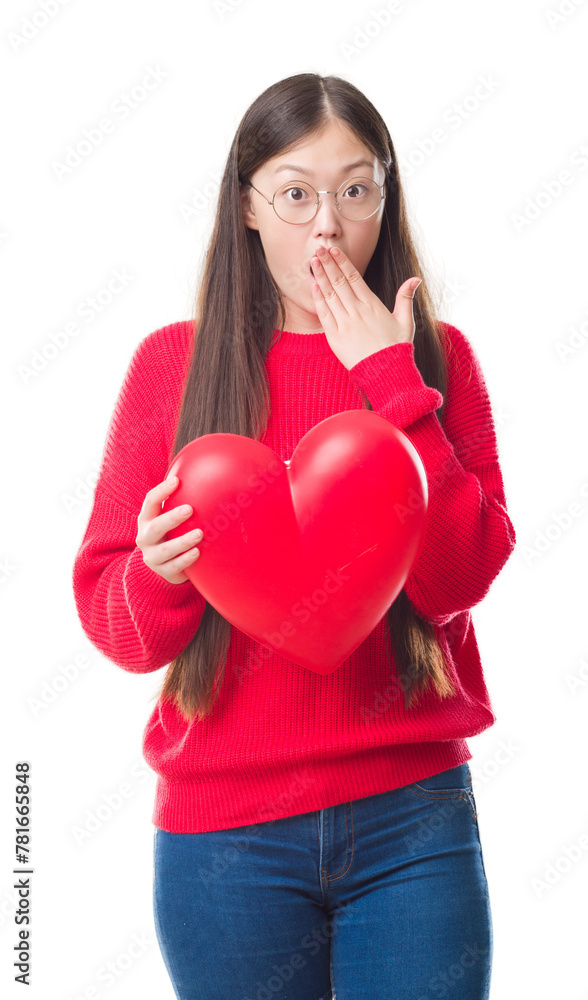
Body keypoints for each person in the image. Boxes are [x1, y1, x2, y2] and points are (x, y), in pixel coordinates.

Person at [72, 72, 516, 1000]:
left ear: (383, 201)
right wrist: (155, 574)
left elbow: (460, 578)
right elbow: (119, 627)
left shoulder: (441, 359)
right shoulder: (172, 368)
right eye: (297, 193)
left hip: (413, 824)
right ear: (247, 206)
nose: (327, 226)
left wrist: (394, 382)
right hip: (223, 843)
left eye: (356, 190)